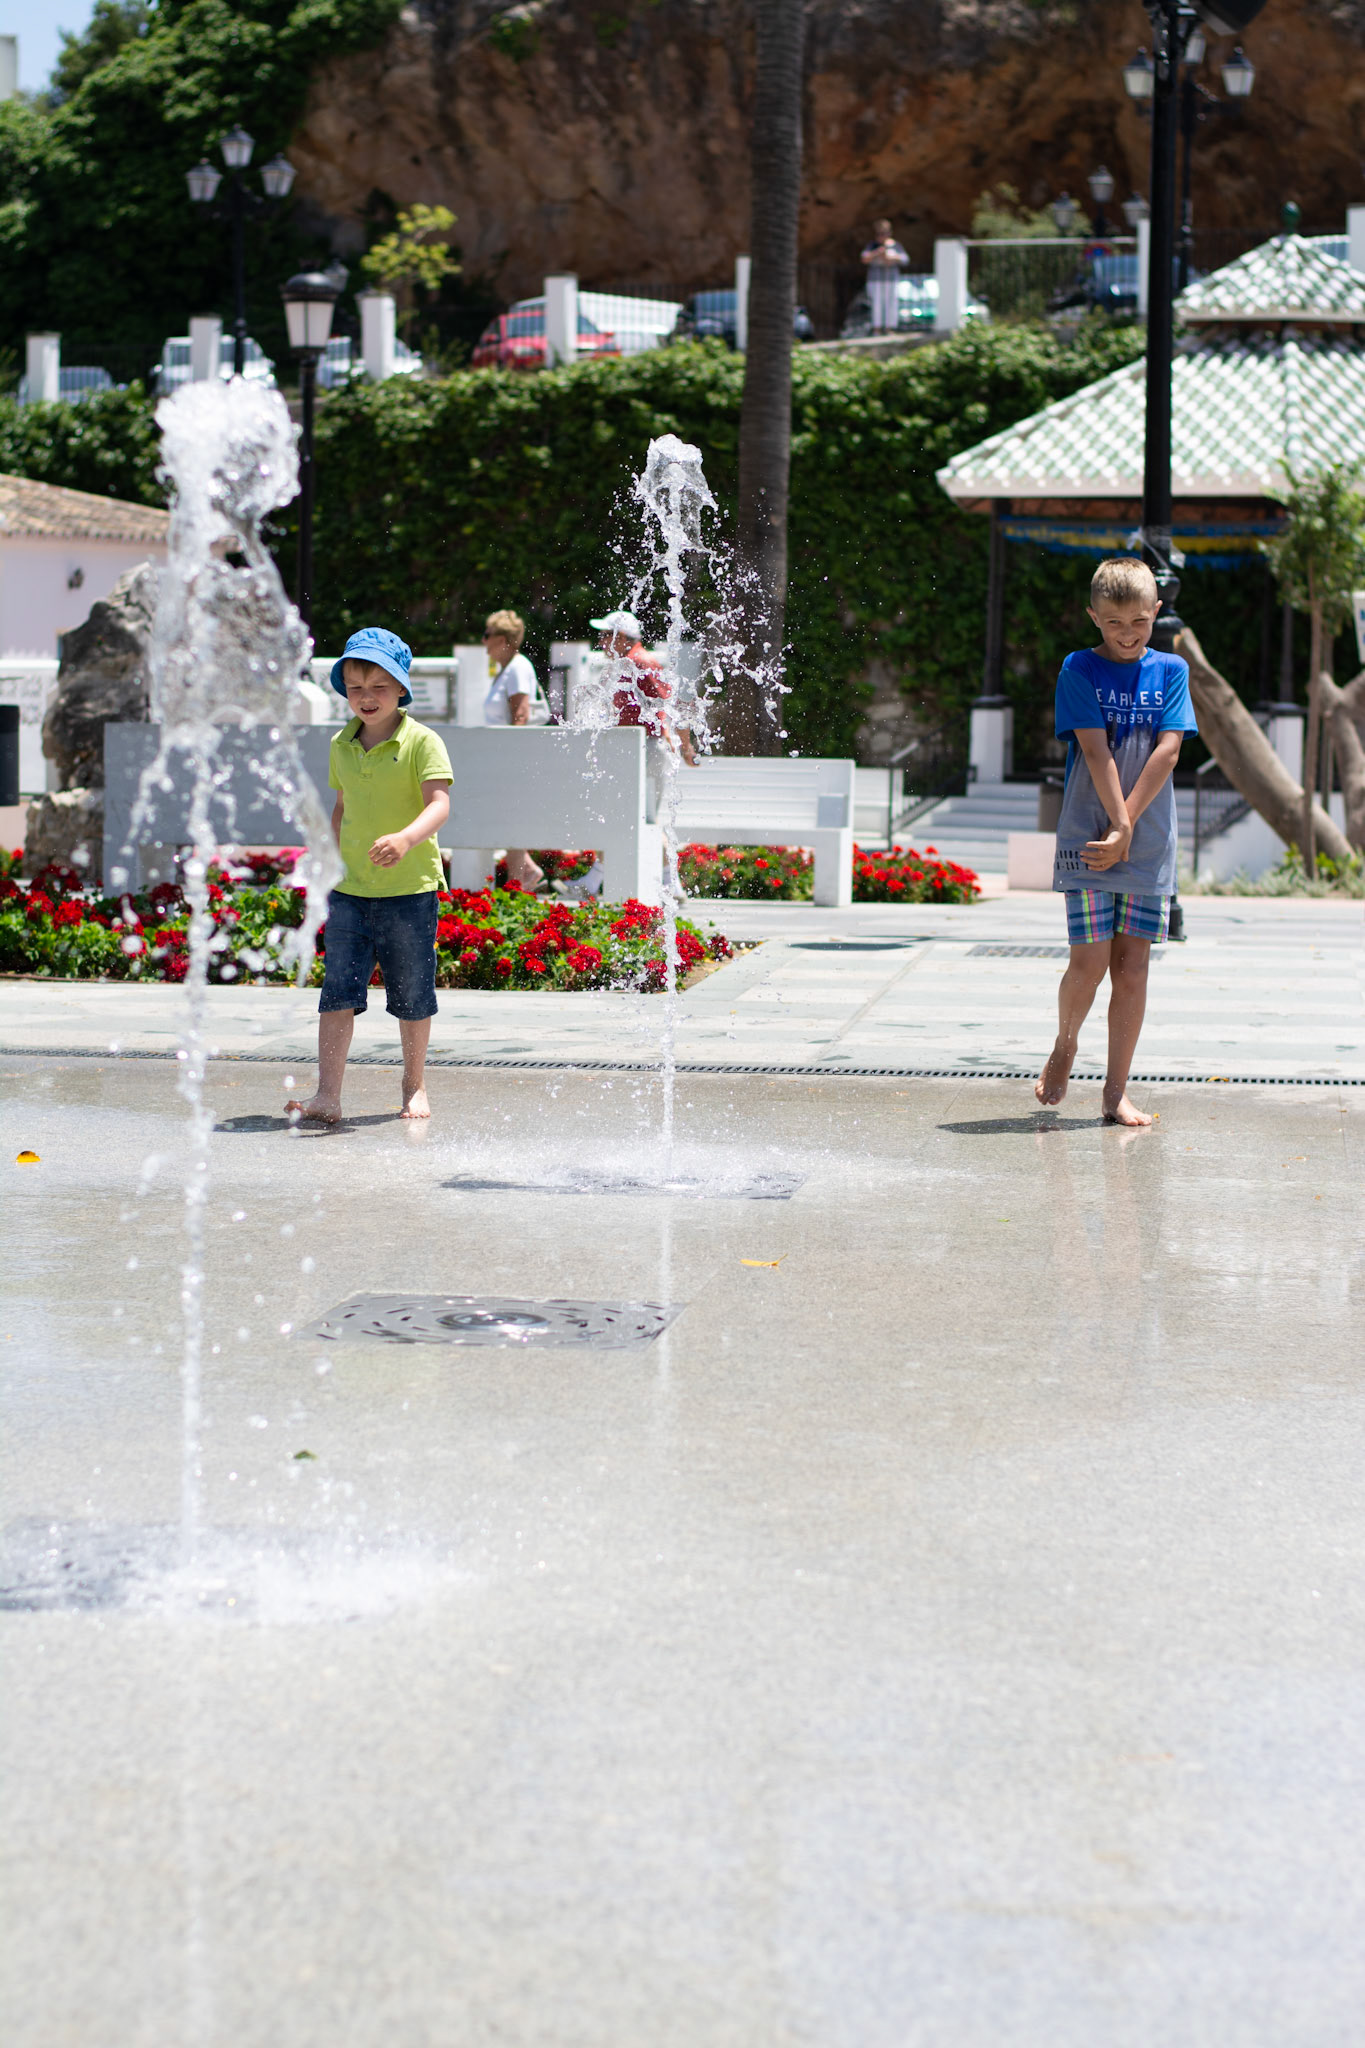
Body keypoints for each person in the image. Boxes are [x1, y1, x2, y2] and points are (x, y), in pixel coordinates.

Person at [1034, 558, 1198, 1128]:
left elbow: (1168, 751)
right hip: (1089, 840)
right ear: (1093, 617)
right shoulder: (1078, 667)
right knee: (1089, 962)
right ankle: (1066, 1043)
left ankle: (1115, 1092)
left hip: (1148, 845)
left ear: (1157, 612)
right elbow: (1095, 748)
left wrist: (1129, 828)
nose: (1127, 634)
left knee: (1133, 970)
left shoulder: (1172, 670)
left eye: (1139, 622)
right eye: (1113, 623)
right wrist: (1116, 828)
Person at [286, 627, 452, 1124]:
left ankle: (414, 1085)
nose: (367, 696)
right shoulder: (341, 744)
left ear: (401, 688)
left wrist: (405, 839)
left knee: (413, 996)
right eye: (356, 687)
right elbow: (342, 807)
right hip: (350, 892)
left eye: (379, 686)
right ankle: (327, 1095)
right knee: (336, 993)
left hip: (409, 892)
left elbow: (439, 806)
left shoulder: (422, 741)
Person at [573, 609, 696, 899]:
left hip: (647, 750)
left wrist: (686, 746)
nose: (601, 642)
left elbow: (673, 706)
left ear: (623, 638)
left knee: (642, 817)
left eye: (606, 635)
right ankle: (598, 880)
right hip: (637, 750)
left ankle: (669, 884)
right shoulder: (628, 663)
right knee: (621, 813)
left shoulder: (640, 662)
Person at [481, 607, 546, 893]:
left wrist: (511, 761)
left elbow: (520, 715)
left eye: (487, 635)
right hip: (502, 756)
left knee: (511, 818)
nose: (483, 641)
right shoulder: (507, 670)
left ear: (502, 639)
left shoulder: (518, 668)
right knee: (506, 816)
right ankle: (526, 873)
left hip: (512, 757)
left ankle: (517, 885)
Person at [861, 219, 908, 334]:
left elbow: (905, 259)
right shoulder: (872, 246)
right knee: (876, 303)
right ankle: (876, 328)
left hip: (891, 279)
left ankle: (889, 328)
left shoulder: (895, 245)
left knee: (891, 303)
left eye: (884, 233)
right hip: (876, 279)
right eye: (879, 233)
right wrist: (878, 252)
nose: (882, 236)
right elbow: (864, 258)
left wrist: (892, 257)